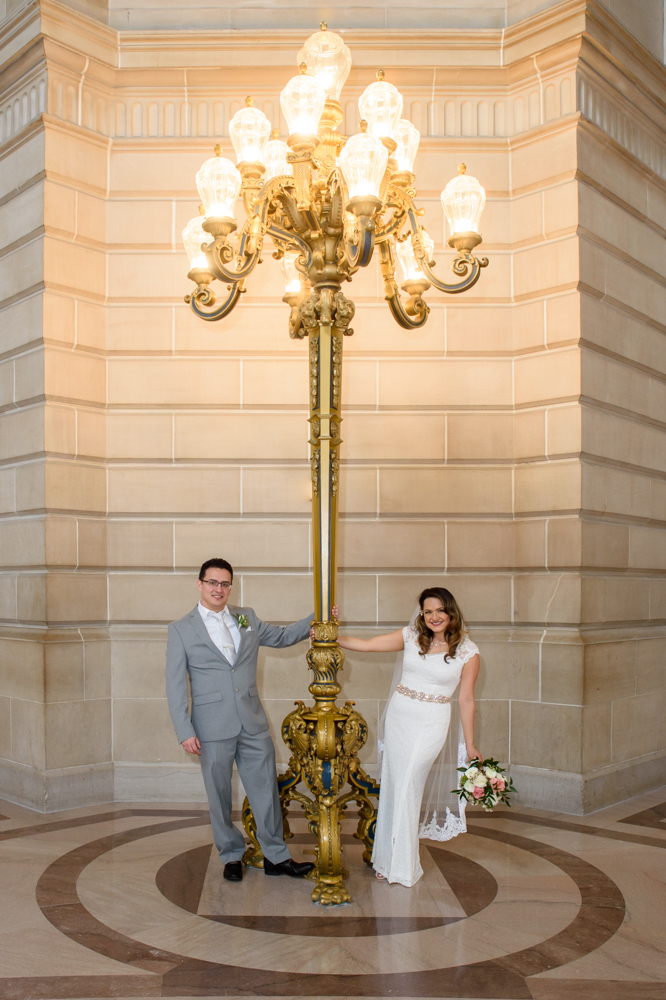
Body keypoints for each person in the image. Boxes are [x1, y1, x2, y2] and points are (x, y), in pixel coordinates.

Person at [165, 557, 315, 883]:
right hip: (211, 725)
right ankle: (231, 854)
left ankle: (276, 856)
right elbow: (175, 684)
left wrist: (317, 618)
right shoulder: (181, 629)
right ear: (200, 584)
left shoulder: (245, 619)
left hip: (252, 721)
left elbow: (283, 636)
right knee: (219, 795)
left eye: (225, 583)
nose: (219, 589)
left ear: (231, 586)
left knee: (265, 791)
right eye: (212, 583)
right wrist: (184, 729)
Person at [336, 586, 480, 887]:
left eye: (440, 610)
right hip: (400, 718)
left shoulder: (468, 651)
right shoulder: (411, 637)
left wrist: (470, 744)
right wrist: (331, 635)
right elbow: (366, 645)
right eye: (428, 611)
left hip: (431, 722)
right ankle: (386, 860)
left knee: (408, 786)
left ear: (451, 611)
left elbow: (466, 699)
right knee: (393, 785)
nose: (434, 617)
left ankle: (402, 865)